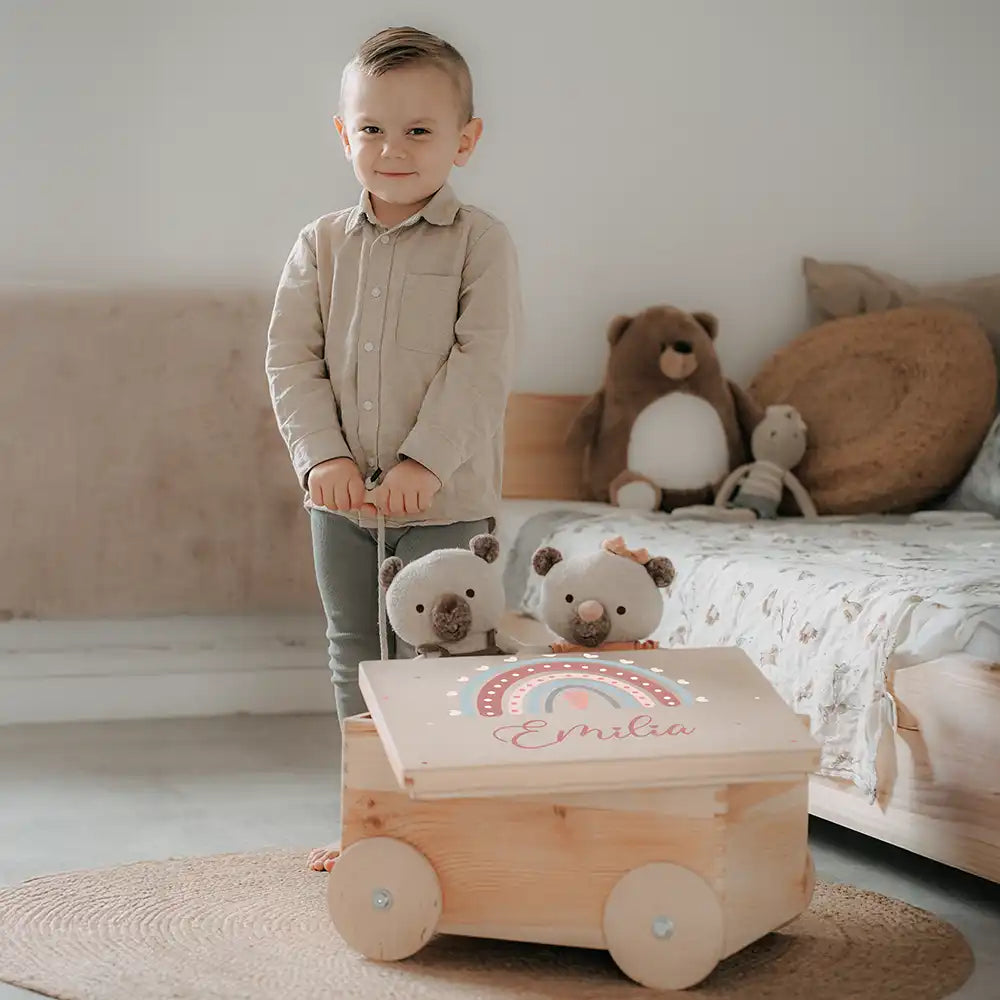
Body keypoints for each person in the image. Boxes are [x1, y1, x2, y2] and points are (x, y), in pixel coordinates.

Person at [264, 25, 521, 872]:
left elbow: (481, 364)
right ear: (344, 136)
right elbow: (292, 361)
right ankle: (371, 823)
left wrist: (424, 462)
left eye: (419, 130)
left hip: (444, 504)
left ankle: (447, 829)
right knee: (357, 657)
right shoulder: (320, 245)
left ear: (465, 141)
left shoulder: (480, 244)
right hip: (339, 505)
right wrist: (322, 459)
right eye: (372, 128)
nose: (393, 149)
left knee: (440, 664)